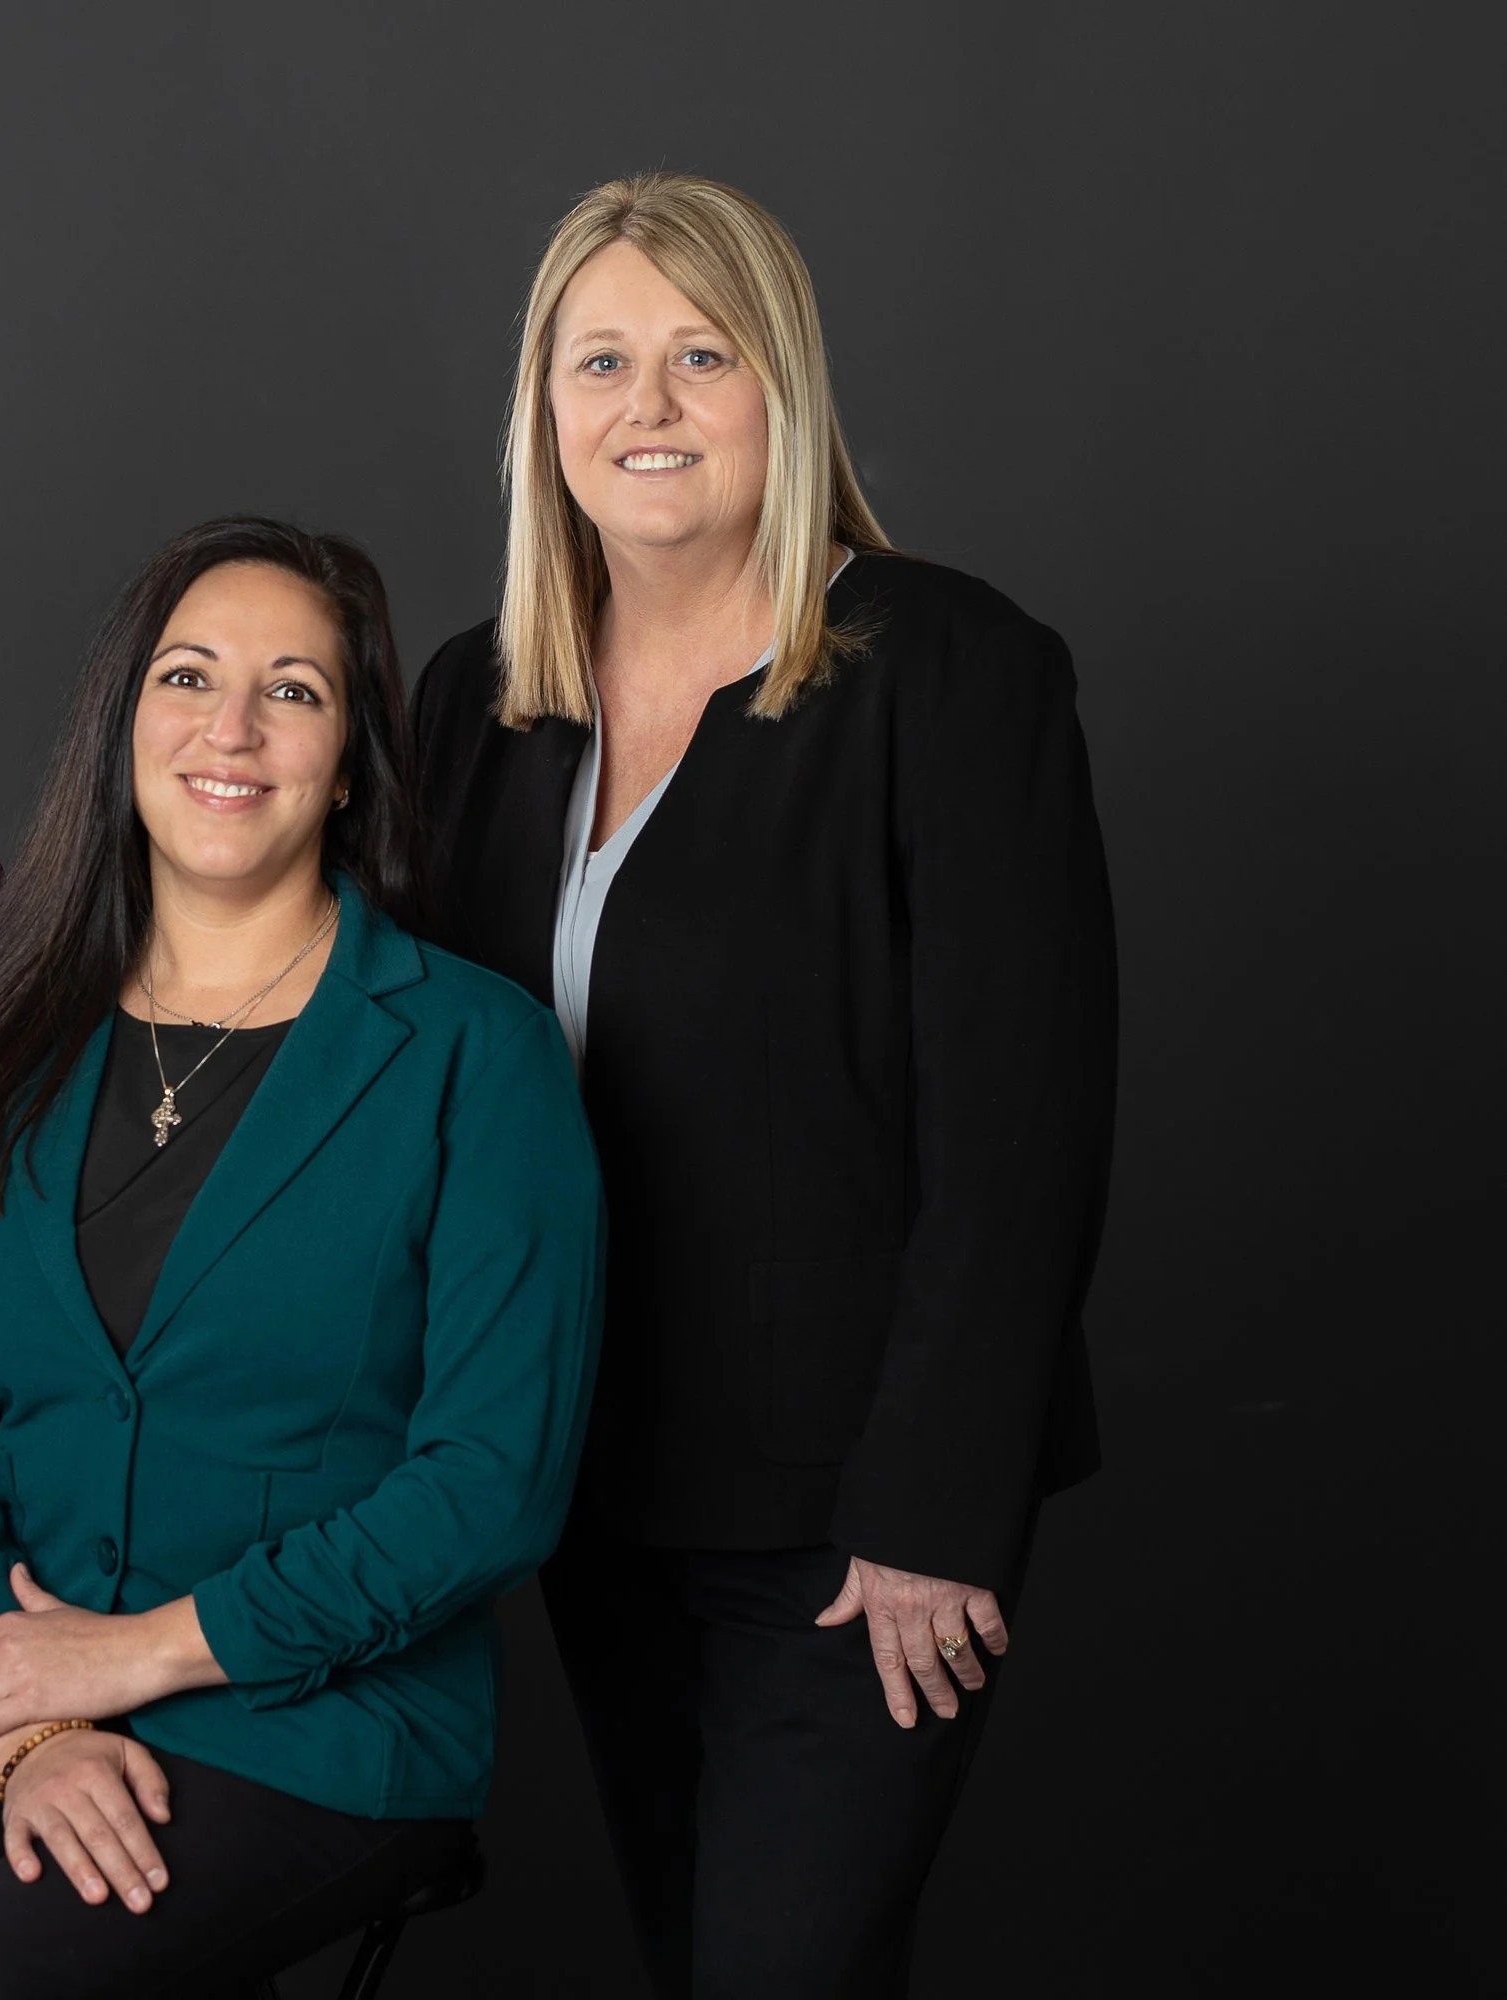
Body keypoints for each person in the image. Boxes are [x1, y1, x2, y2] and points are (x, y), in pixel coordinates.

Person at [0, 518, 604, 1998]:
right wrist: (38, 1718)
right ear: (125, 726)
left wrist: (145, 1657)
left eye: (294, 691)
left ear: (355, 756)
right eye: (189, 678)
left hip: (312, 1718)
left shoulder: (473, 1058)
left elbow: (493, 1483)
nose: (230, 730)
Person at [410, 176, 1119, 1995]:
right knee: (689, 1954)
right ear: (542, 409)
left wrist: (934, 1513)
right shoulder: (478, 702)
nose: (647, 405)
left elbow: (1019, 1133)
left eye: (700, 355)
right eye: (603, 361)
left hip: (855, 1517)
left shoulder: (948, 671)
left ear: (782, 388)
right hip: (589, 1481)